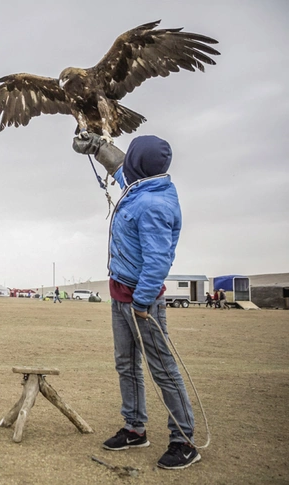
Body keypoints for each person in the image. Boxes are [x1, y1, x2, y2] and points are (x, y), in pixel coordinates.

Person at [73, 133, 200, 470]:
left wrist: (142, 303)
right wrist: (97, 147)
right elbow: (118, 169)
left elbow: (158, 262)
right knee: (126, 363)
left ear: (140, 163)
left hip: (142, 303)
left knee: (162, 369)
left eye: (132, 157)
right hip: (120, 295)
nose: (126, 162)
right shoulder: (142, 186)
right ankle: (134, 428)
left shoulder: (155, 205)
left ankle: (184, 440)